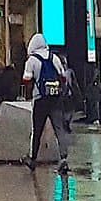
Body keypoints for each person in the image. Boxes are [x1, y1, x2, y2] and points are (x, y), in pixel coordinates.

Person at [23, 34, 70, 174]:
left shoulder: (32, 60)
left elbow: (26, 79)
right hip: (55, 98)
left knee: (37, 129)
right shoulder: (53, 57)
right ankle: (63, 158)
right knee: (59, 129)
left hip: (40, 99)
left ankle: (32, 159)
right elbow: (63, 75)